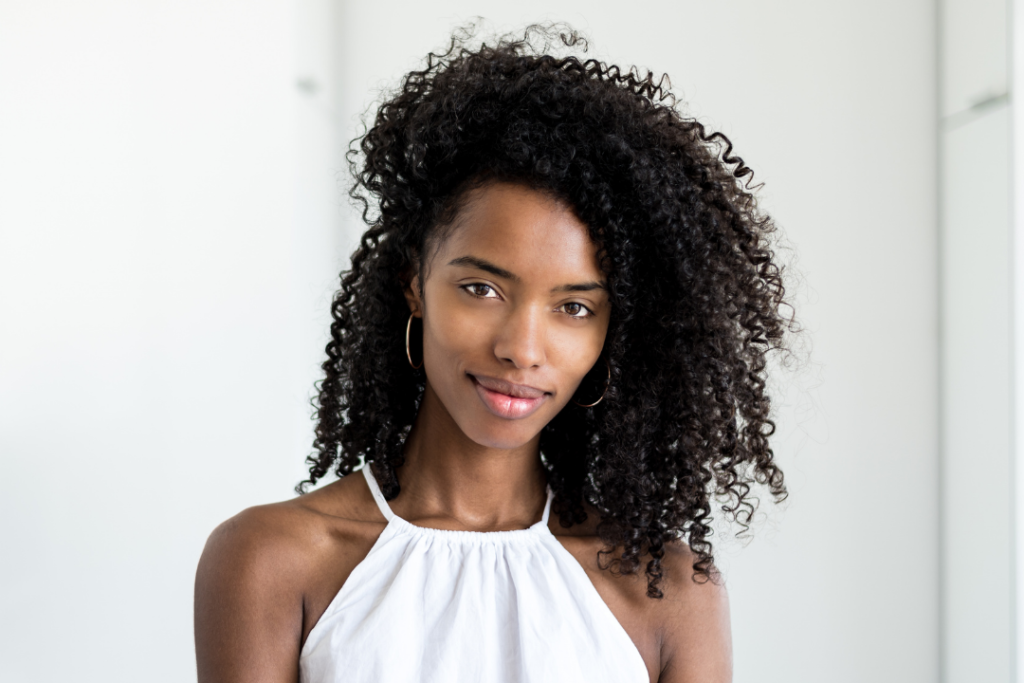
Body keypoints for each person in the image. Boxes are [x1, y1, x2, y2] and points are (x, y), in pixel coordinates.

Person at [194, 25, 790, 683]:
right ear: (414, 284)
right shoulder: (273, 560)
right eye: (482, 288)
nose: (520, 348)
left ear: (612, 332)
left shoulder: (669, 592)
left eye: (574, 307)